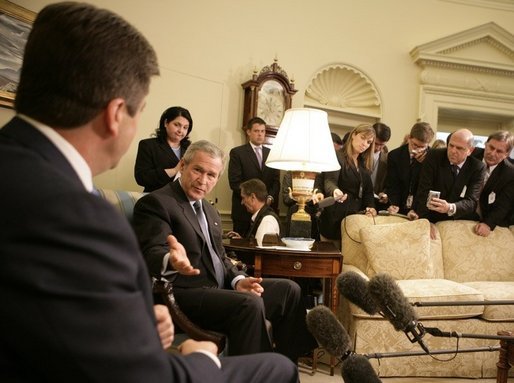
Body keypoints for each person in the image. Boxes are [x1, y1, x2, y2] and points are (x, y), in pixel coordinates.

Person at [0, 3, 299, 382]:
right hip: (178, 315)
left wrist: (137, 317)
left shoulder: (22, 176)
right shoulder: (85, 216)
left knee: (283, 293)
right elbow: (135, 370)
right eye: (141, 111)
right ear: (115, 114)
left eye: (213, 175)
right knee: (279, 369)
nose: (206, 180)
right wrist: (200, 356)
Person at [132, 140, 317, 363]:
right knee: (249, 303)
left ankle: (284, 369)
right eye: (197, 170)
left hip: (219, 290)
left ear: (217, 179)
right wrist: (171, 260)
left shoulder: (210, 210)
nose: (203, 180)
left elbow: (219, 257)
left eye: (211, 175)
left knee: (290, 290)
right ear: (183, 166)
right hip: (184, 294)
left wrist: (238, 280)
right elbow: (152, 251)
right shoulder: (157, 202)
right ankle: (252, 376)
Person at [409, 128, 485, 238]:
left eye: (459, 148)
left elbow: (471, 201)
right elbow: (423, 190)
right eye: (451, 145)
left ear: (470, 150)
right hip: (431, 216)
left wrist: (450, 207)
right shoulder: (434, 156)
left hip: (458, 219)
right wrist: (425, 221)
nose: (453, 150)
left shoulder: (477, 167)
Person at [319, 124, 377, 244]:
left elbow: (368, 192)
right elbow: (329, 181)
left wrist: (371, 207)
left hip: (354, 222)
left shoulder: (363, 164)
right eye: (362, 138)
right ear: (354, 135)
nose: (364, 144)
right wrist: (335, 191)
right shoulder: (337, 156)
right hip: (334, 219)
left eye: (368, 142)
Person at [228, 117, 280, 235]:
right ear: (248, 132)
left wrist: (269, 198)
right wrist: (253, 199)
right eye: (256, 131)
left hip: (266, 209)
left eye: (262, 131)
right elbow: (234, 182)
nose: (260, 134)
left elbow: (276, 182)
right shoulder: (237, 153)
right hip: (243, 212)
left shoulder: (271, 154)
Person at [135, 106, 193, 192]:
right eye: (177, 125)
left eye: (185, 127)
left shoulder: (190, 149)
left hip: (182, 199)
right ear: (166, 123)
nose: (181, 130)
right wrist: (174, 171)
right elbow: (141, 178)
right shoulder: (148, 145)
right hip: (156, 197)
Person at [385, 122, 434, 215]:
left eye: (422, 147)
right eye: (414, 144)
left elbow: (427, 187)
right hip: (399, 206)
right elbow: (392, 184)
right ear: (409, 138)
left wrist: (423, 164)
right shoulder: (395, 155)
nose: (418, 149)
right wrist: (394, 204)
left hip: (421, 209)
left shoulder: (433, 158)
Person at [471, 131, 514, 236]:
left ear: (506, 154)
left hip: (488, 216)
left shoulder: (510, 173)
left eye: (499, 151)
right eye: (491, 147)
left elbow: (504, 204)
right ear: (485, 144)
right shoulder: (471, 156)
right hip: (462, 212)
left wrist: (488, 224)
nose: (492, 153)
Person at [226, 178, 282, 245]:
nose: (242, 202)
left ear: (253, 197)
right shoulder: (262, 217)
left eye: (243, 198)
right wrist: (242, 241)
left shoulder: (267, 221)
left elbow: (260, 252)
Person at [371, 122, 391, 210]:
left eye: (382, 145)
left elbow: (387, 183)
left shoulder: (386, 159)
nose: (378, 148)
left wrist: (383, 193)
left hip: (376, 204)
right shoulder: (359, 155)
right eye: (376, 143)